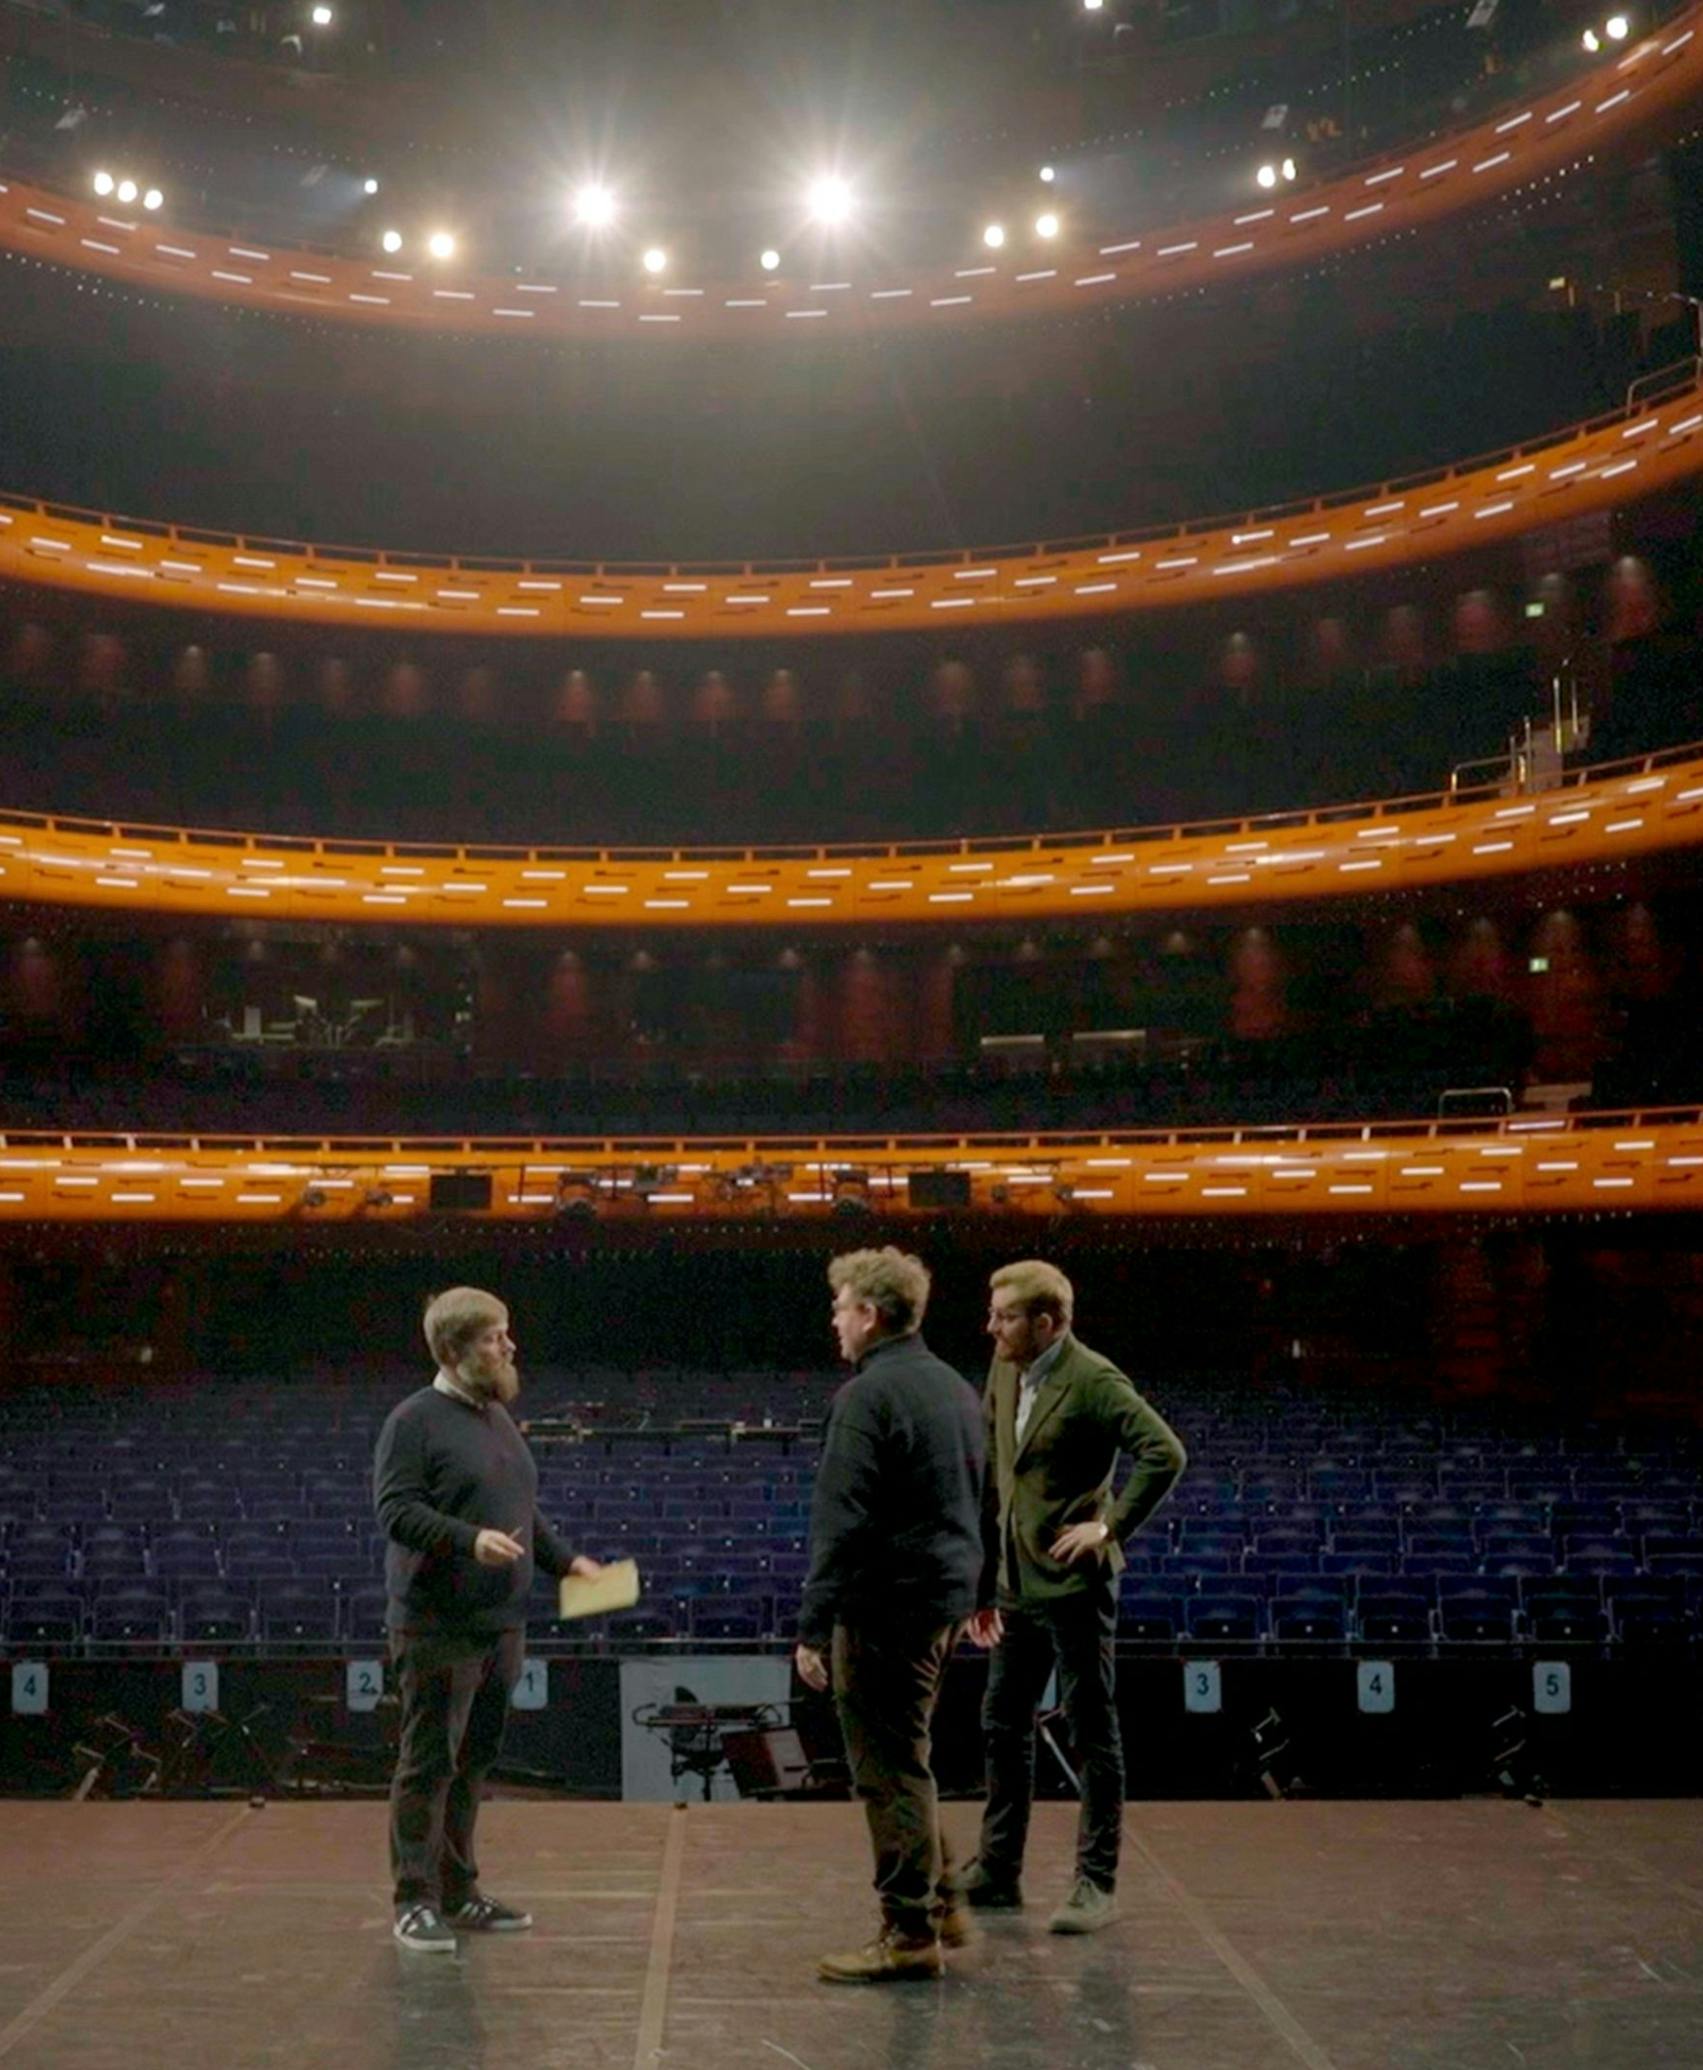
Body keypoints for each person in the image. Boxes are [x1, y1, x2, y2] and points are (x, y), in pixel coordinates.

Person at [374, 1286, 602, 1952]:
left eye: (506, 1333)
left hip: (500, 1622)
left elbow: (522, 1515)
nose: (509, 1346)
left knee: (474, 1763)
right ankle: (413, 1901)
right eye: (493, 1336)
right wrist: (467, 1539)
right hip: (437, 1626)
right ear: (452, 1349)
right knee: (427, 1765)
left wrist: (567, 1564)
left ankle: (459, 1891)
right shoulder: (413, 1421)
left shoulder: (496, 1418)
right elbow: (396, 1511)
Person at [961, 1259, 1186, 1933]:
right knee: (1002, 1723)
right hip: (1013, 1586)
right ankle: (997, 1869)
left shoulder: (1092, 1378)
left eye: (1003, 1316)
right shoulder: (1004, 1368)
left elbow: (1163, 1452)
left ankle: (1096, 1883)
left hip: (1072, 1588)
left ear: (1046, 1322)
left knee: (1092, 1733)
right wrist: (982, 1587)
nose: (990, 1326)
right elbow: (993, 1485)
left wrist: (1108, 1524)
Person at [795, 1247, 989, 1984]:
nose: (834, 1320)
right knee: (908, 1754)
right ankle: (943, 1905)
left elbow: (838, 1523)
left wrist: (814, 1627)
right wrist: (984, 1590)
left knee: (887, 1770)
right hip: (940, 1600)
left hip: (884, 1607)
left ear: (870, 1315)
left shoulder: (866, 1398)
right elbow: (984, 1498)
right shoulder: (951, 1386)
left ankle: (907, 1933)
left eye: (841, 1306)